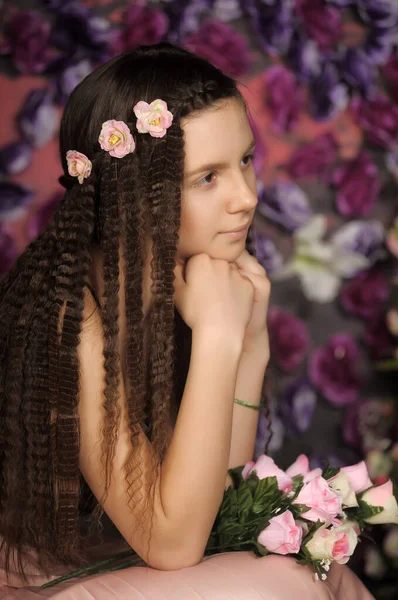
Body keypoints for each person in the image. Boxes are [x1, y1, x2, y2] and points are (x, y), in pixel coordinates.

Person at [0, 42, 272, 584]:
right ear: (134, 195)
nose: (246, 197)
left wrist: (251, 345)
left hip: (150, 549)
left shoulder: (204, 278)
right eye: (207, 178)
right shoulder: (65, 314)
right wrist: (220, 338)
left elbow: (220, 512)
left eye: (244, 160)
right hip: (41, 571)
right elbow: (170, 545)